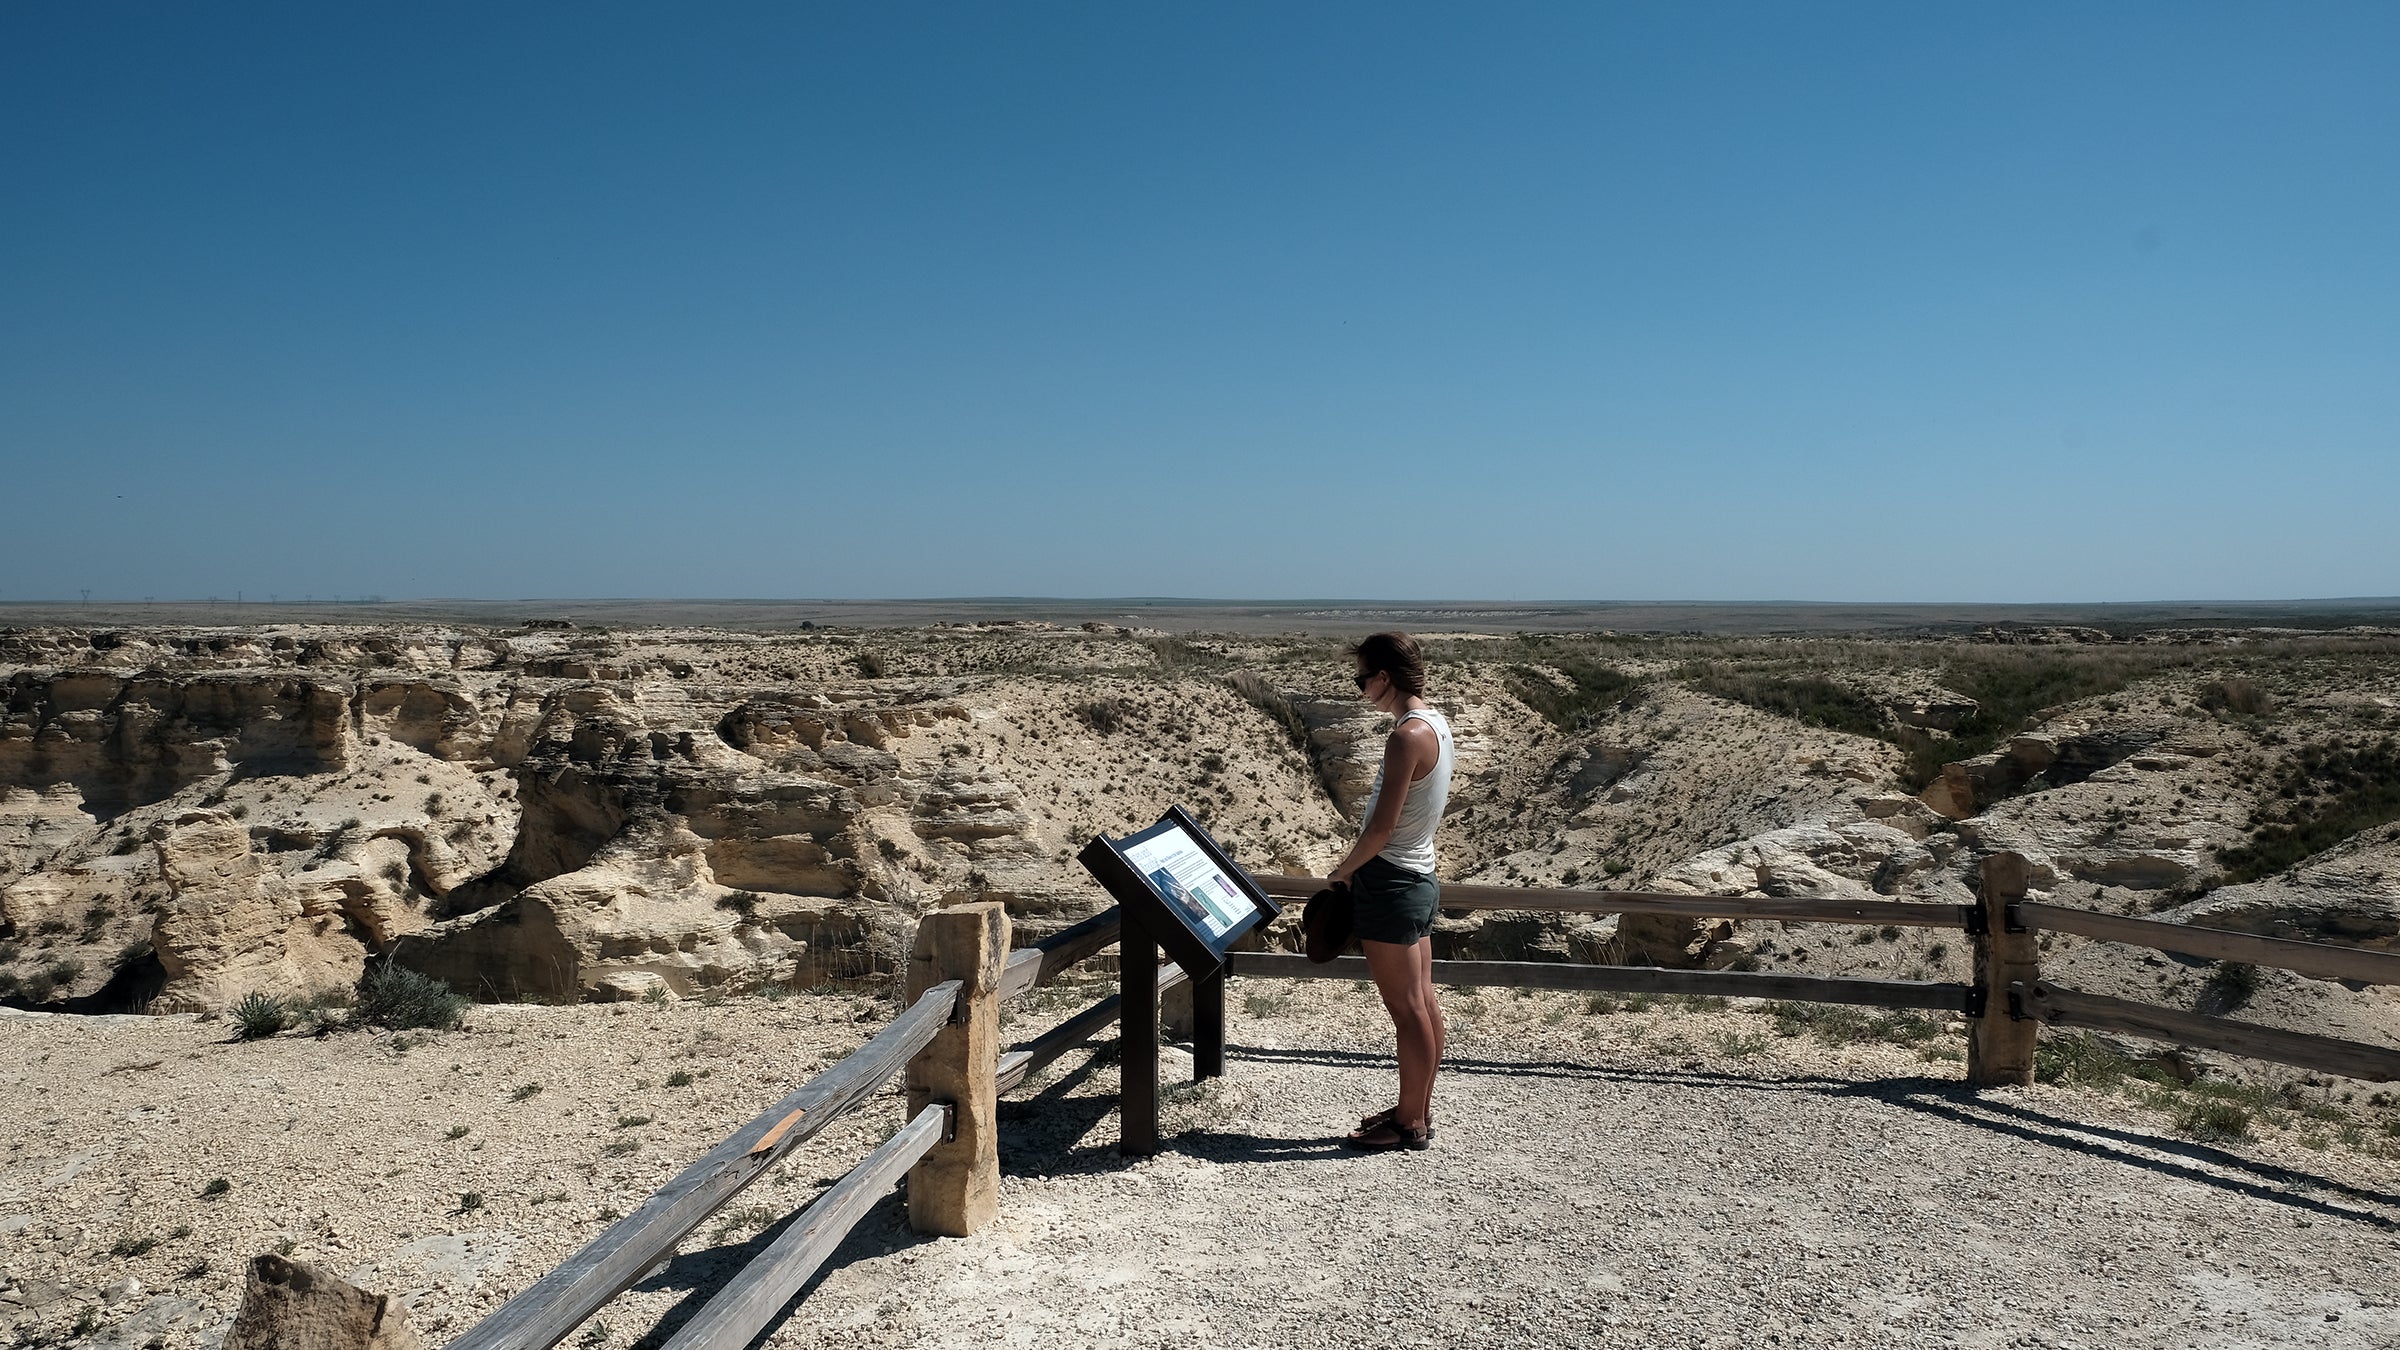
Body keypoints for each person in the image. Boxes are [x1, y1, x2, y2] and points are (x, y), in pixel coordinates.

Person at [1328, 631, 1453, 1151]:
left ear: (1384, 677)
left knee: (1406, 1010)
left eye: (1362, 678)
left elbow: (1380, 830)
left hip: (1391, 881)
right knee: (1422, 1003)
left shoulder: (1405, 737)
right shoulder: (1437, 725)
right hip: (1419, 877)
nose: (1361, 689)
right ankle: (1414, 1110)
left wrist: (1340, 872)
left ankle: (1408, 1125)